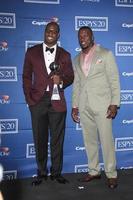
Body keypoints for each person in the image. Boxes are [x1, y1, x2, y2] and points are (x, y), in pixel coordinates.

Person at [23, 22, 74, 185]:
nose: (51, 33)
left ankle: (57, 172)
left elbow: (71, 77)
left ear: (58, 35)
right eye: (48, 30)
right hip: (37, 101)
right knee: (39, 138)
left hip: (57, 102)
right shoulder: (32, 52)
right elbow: (25, 76)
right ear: (44, 32)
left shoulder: (65, 55)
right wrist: (29, 99)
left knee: (57, 140)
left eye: (54, 31)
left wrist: (61, 81)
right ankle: (42, 172)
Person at [72, 26, 120, 189]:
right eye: (80, 36)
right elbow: (77, 84)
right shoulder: (76, 59)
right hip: (85, 106)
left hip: (103, 106)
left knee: (106, 141)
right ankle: (94, 170)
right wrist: (75, 106)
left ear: (92, 37)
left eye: (85, 35)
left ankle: (111, 173)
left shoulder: (105, 54)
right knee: (89, 140)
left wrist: (114, 103)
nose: (82, 38)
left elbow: (114, 80)